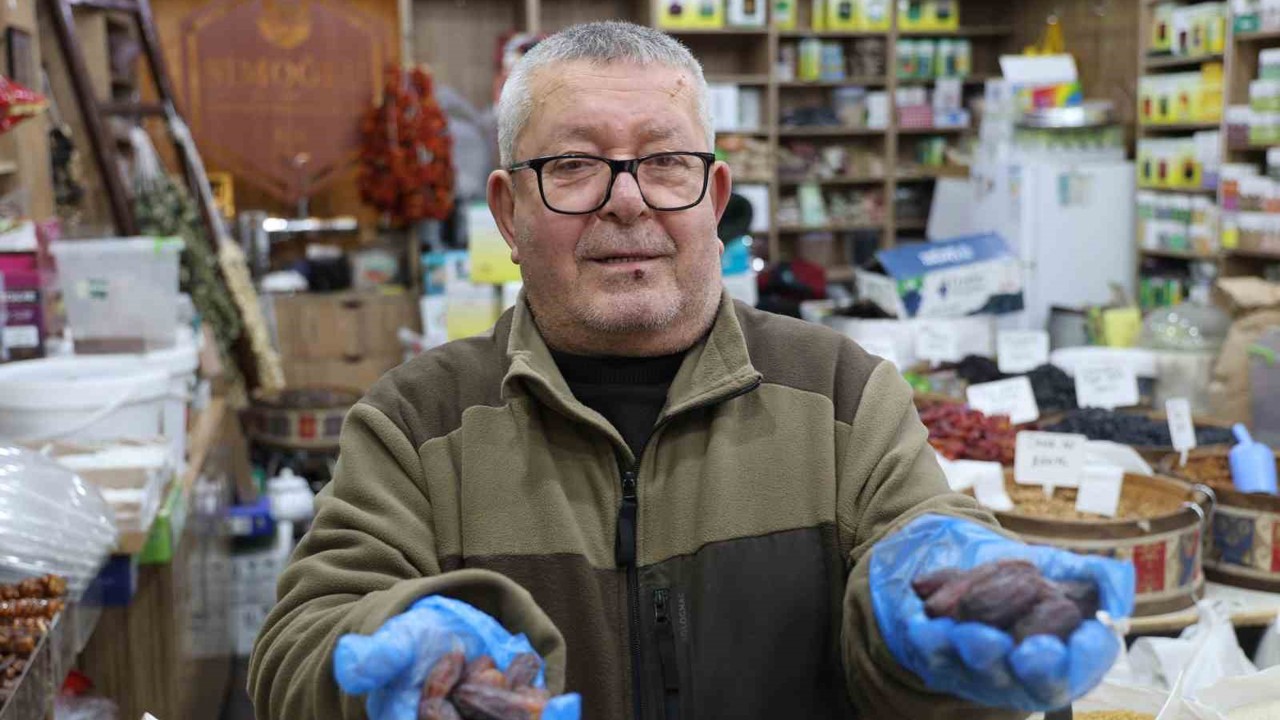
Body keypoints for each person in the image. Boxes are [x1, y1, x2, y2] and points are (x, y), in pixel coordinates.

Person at [248, 21, 1133, 720]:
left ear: (713, 200)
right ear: (509, 214)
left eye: (665, 163)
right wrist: (385, 652)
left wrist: (935, 613)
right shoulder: (415, 422)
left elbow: (922, 536)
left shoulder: (840, 394)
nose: (627, 199)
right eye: (574, 166)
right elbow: (296, 646)